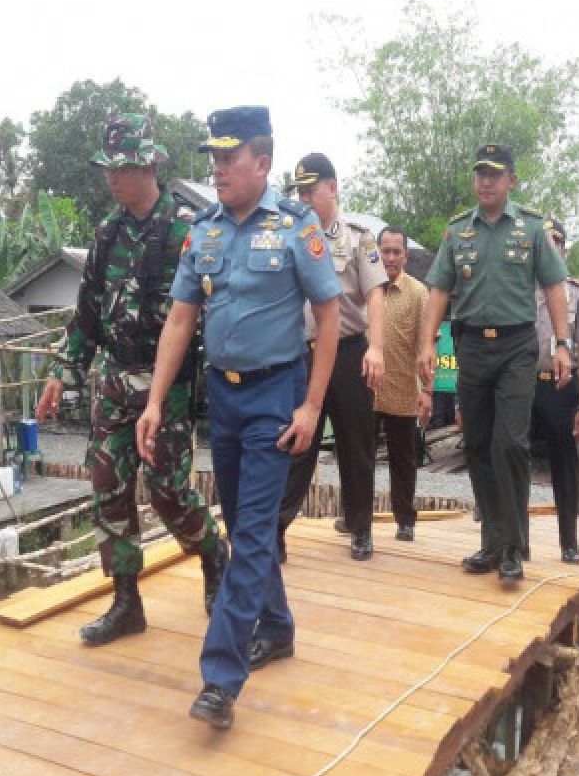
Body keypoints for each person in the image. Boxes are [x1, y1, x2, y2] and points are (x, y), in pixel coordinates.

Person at [137, 105, 341, 730]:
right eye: (214, 159)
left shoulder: (296, 226)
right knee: (240, 523)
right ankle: (276, 628)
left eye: (229, 158)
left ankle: (220, 680)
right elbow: (179, 318)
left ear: (262, 161)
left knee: (250, 535)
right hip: (220, 402)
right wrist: (152, 401)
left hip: (275, 399)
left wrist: (310, 405)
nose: (218, 169)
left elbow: (330, 318)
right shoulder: (203, 230)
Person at [35, 113, 226, 647]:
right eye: (108, 169)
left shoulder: (189, 229)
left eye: (121, 168)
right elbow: (87, 314)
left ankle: (213, 556)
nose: (111, 179)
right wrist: (62, 371)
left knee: (168, 492)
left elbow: (206, 315)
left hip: (166, 384)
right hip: (115, 379)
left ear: (149, 164)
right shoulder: (107, 234)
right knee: (107, 488)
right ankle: (126, 601)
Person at [419, 143, 572, 580]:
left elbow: (555, 285)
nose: (485, 181)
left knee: (510, 443)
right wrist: (428, 343)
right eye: (479, 174)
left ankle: (514, 547)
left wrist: (562, 343)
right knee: (477, 444)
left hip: (516, 347)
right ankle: (491, 541)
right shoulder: (457, 232)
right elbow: (438, 291)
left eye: (494, 174)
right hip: (470, 346)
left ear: (511, 180)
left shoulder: (531, 228)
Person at [276, 153, 387, 561]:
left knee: (356, 443)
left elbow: (375, 294)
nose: (305, 198)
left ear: (333, 187)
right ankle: (277, 529)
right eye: (300, 191)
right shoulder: (292, 236)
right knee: (296, 442)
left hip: (348, 351)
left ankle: (360, 528)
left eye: (311, 189)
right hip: (302, 355)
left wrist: (376, 347)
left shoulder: (359, 238)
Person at [530, 218, 579, 563]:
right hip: (523, 384)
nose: (548, 246)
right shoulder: (519, 287)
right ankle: (515, 541)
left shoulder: (578, 293)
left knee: (565, 466)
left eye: (554, 240)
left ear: (563, 248)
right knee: (512, 461)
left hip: (561, 387)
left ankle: (569, 542)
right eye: (542, 241)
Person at [372, 226, 432, 542]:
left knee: (404, 462)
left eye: (397, 252)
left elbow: (427, 349)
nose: (390, 257)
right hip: (365, 391)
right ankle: (355, 519)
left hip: (403, 391)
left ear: (406, 256)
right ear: (377, 251)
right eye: (386, 250)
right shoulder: (364, 288)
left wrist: (429, 391)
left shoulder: (419, 294)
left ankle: (405, 520)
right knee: (357, 459)